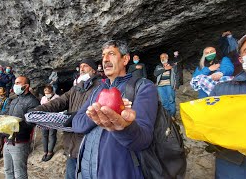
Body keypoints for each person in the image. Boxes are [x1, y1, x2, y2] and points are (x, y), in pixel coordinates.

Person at [72, 40, 158, 179]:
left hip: (120, 173)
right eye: (103, 55)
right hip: (86, 171)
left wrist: (124, 127)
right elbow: (77, 123)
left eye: (111, 54)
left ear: (125, 59)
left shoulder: (143, 87)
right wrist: (99, 113)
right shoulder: (97, 90)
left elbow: (143, 139)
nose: (105, 59)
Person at [34, 59, 101, 179]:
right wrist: (37, 109)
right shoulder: (75, 88)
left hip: (88, 144)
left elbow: (97, 110)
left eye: (85, 66)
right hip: (71, 144)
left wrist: (76, 116)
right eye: (80, 67)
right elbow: (59, 102)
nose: (81, 69)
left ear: (94, 70)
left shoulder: (100, 87)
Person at [210, 30, 246, 179]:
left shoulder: (225, 58)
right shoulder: (222, 90)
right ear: (241, 59)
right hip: (236, 169)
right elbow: (209, 132)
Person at [3, 76, 39, 179]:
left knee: (20, 174)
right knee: (8, 171)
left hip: (20, 142)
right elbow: (8, 115)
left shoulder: (33, 102)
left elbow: (31, 123)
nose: (15, 85)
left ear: (26, 86)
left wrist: (14, 124)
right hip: (7, 140)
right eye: (15, 83)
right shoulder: (14, 99)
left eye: (18, 83)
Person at [154, 53, 179, 118]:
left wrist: (176, 85)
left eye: (164, 57)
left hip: (169, 85)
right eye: (161, 57)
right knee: (164, 102)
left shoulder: (172, 65)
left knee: (171, 100)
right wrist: (165, 69)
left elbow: (176, 74)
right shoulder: (159, 66)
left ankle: (172, 116)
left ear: (167, 58)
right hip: (160, 86)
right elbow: (155, 73)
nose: (162, 58)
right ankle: (167, 116)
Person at [39, 84, 59, 162]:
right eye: (45, 92)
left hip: (53, 118)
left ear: (52, 91)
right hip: (44, 119)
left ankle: (50, 152)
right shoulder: (43, 98)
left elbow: (60, 107)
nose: (47, 94)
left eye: (48, 92)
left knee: (52, 134)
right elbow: (41, 107)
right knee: (44, 135)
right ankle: (45, 151)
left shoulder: (56, 97)